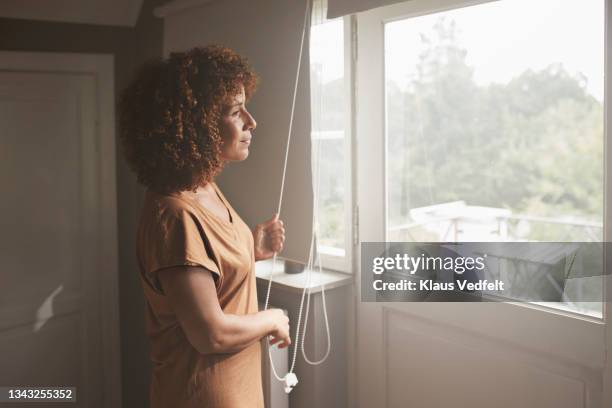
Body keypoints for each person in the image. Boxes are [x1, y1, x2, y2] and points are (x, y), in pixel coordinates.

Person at [118, 45, 290, 408]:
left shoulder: (205, 186)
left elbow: (210, 274)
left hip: (236, 390)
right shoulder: (176, 214)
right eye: (234, 111)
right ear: (199, 127)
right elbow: (210, 334)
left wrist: (252, 250)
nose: (250, 121)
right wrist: (273, 318)